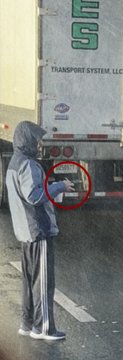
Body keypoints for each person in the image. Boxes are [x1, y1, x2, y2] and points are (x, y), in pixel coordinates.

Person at [5, 121, 74, 341]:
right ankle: (44, 328)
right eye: (37, 139)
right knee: (42, 281)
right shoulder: (29, 165)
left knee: (29, 280)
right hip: (38, 230)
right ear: (28, 140)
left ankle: (27, 323)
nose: (40, 143)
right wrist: (59, 187)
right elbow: (34, 195)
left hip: (26, 232)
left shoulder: (15, 163)